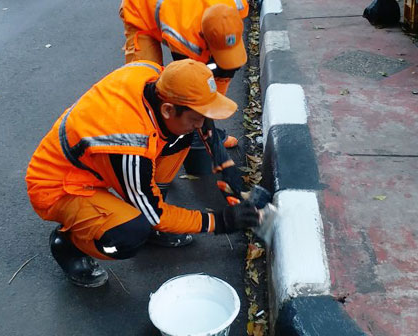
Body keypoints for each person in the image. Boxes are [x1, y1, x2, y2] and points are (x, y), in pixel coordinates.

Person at [25, 59, 260, 288]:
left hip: (94, 164)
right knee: (130, 233)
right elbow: (154, 214)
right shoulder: (130, 143)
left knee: (183, 135)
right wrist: (219, 221)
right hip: (59, 186)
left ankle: (153, 224)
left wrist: (228, 174)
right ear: (168, 109)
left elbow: (201, 121)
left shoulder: (157, 79)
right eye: (196, 117)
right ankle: (68, 244)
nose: (202, 123)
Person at [119, 0, 249, 148]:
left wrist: (211, 113)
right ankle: (144, 140)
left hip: (179, 12)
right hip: (141, 10)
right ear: (203, 36)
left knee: (220, 68)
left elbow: (222, 75)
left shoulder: (236, 6)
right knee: (146, 79)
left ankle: (204, 132)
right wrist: (202, 110)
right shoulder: (185, 38)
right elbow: (187, 84)